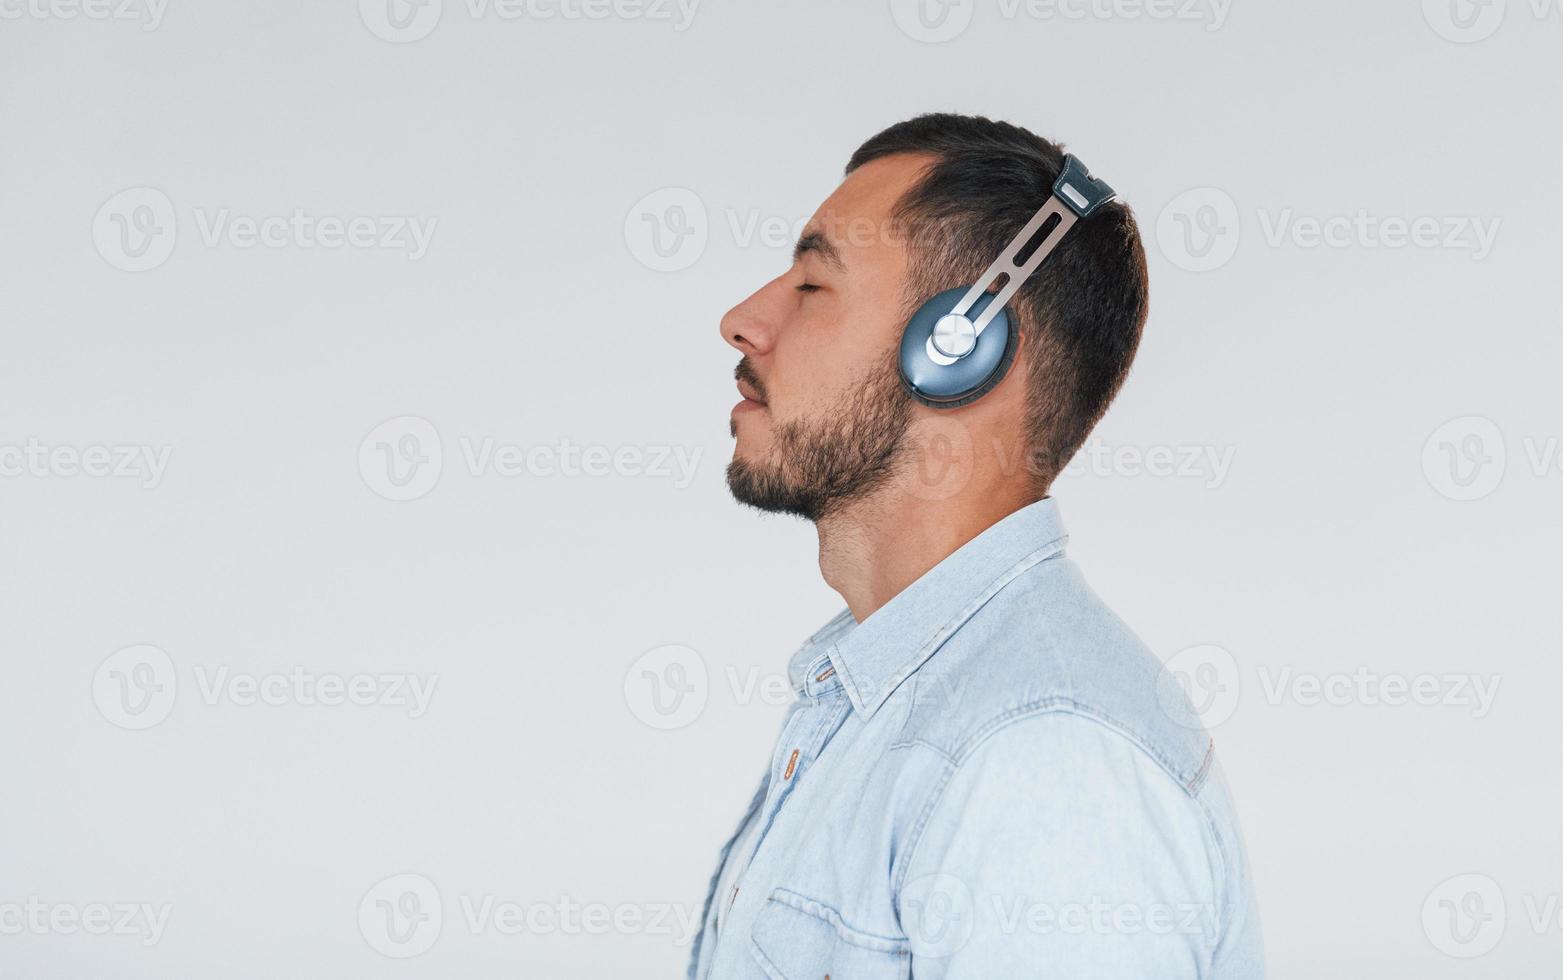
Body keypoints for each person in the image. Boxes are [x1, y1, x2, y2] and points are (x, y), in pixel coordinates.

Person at [689, 113, 1263, 979]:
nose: (741, 320)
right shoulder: (889, 704)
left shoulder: (1037, 763)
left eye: (812, 285)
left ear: (957, 346)